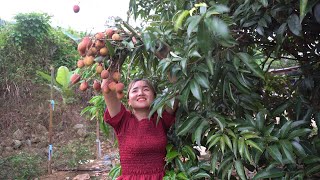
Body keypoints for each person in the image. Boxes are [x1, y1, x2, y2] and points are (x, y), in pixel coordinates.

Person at [102, 78, 178, 180]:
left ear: (155, 97)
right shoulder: (122, 120)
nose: (140, 93)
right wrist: (110, 69)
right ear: (128, 100)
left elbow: (178, 86)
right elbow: (107, 89)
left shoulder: (161, 119)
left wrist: (166, 61)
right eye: (135, 90)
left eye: (146, 89)